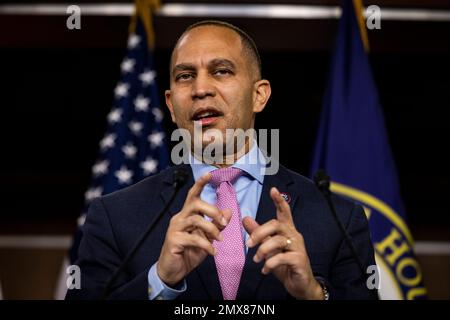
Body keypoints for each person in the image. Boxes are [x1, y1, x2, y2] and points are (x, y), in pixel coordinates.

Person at [66, 20, 377, 300]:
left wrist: (313, 295)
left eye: (221, 71)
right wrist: (158, 280)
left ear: (260, 95)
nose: (201, 89)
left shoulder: (339, 218)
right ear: (172, 106)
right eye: (185, 76)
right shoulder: (112, 215)